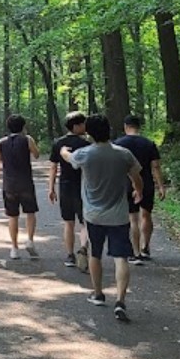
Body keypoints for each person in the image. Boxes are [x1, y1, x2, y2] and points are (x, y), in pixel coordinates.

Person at [61, 115, 143, 321]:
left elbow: (68, 158)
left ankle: (98, 294)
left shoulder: (84, 154)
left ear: (88, 132)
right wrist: (138, 191)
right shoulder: (124, 154)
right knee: (121, 258)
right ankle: (121, 301)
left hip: (93, 215)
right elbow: (136, 176)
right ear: (110, 130)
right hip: (119, 215)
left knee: (95, 255)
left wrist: (63, 151)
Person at [115, 115, 168, 261]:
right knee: (146, 215)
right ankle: (146, 247)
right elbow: (155, 166)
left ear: (126, 126)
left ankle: (135, 252)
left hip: (126, 183)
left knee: (133, 218)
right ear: (139, 127)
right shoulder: (149, 143)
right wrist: (161, 186)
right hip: (147, 183)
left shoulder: (118, 144)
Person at [0, 114, 41, 260]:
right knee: (30, 213)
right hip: (26, 183)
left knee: (13, 216)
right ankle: (30, 240)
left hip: (9, 185)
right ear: (23, 127)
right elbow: (37, 155)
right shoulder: (28, 140)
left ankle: (14, 248)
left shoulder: (0, 143)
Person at [48, 111, 89, 268]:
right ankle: (83, 248)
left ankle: (70, 256)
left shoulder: (59, 143)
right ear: (76, 126)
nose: (85, 126)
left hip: (65, 185)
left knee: (68, 222)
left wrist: (51, 188)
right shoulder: (86, 144)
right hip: (83, 186)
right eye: (83, 124)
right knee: (84, 222)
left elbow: (53, 167)